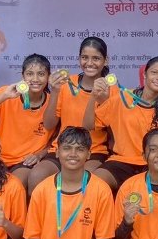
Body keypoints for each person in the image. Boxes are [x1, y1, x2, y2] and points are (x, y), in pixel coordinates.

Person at [83, 56, 158, 193]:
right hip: (120, 162)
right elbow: (88, 126)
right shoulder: (122, 98)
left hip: (153, 164)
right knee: (94, 184)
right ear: (144, 74)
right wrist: (93, 96)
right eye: (154, 72)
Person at [29, 37, 112, 193]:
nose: (89, 63)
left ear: (105, 60)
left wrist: (99, 97)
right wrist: (55, 91)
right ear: (79, 58)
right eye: (84, 57)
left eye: (96, 58)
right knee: (36, 175)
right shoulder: (66, 84)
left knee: (85, 181)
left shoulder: (111, 90)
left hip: (93, 151)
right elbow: (49, 124)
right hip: (61, 149)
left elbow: (93, 126)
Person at [0, 53, 52, 191]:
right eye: (30, 74)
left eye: (41, 74)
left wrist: (40, 154)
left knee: (12, 186)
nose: (35, 79)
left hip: (25, 162)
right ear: (23, 76)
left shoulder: (52, 102)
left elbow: (55, 140)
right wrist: (3, 97)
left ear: (48, 77)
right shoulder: (6, 93)